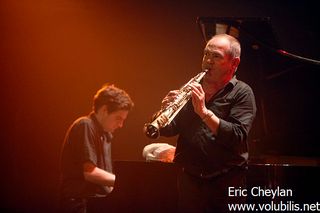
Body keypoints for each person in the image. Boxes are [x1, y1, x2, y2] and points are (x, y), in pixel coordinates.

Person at [158, 34, 257, 212]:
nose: (208, 61)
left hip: (226, 182)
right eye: (206, 54)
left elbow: (237, 136)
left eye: (216, 56)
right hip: (190, 179)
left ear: (234, 63)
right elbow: (172, 128)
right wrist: (165, 113)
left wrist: (204, 113)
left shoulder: (242, 93)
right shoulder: (192, 88)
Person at [59, 84, 134, 213]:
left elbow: (105, 183)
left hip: (96, 204)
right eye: (118, 118)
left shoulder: (106, 135)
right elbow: (90, 172)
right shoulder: (85, 125)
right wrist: (124, 184)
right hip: (80, 205)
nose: (121, 125)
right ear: (104, 110)